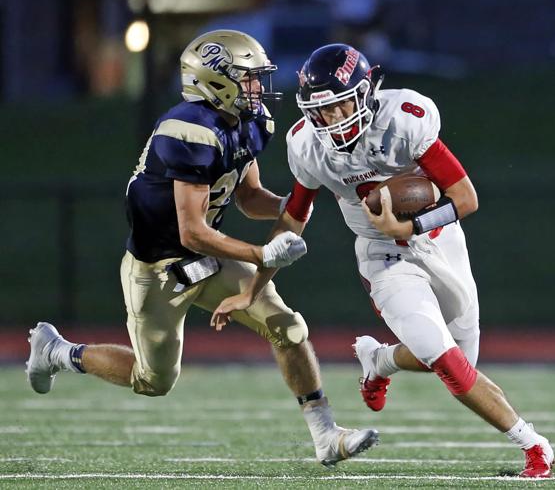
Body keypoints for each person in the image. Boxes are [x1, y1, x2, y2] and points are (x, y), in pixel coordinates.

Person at [25, 30, 378, 466]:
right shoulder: (188, 130)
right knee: (152, 379)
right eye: (248, 78)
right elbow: (190, 231)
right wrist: (262, 255)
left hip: (210, 257)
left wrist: (294, 204)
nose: (258, 88)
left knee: (288, 327)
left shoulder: (250, 121)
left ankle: (326, 436)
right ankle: (59, 352)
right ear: (216, 81)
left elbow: (249, 199)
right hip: (159, 266)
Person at [211, 43, 555, 478]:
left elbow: (465, 198)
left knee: (462, 356)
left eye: (340, 106)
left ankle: (381, 360)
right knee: (445, 360)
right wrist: (251, 290)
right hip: (382, 256)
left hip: (439, 240)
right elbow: (292, 222)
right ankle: (533, 445)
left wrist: (411, 226)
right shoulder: (307, 145)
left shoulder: (404, 118)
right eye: (322, 112)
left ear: (367, 91)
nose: (332, 120)